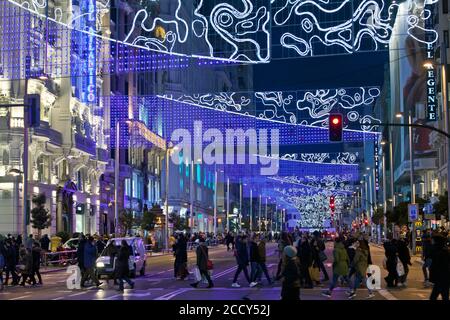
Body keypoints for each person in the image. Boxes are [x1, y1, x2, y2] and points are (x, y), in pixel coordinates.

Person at [429, 234, 450, 300]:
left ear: (437, 241)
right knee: (444, 296)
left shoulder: (441, 252)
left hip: (441, 278)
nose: (431, 242)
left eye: (433, 240)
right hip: (443, 279)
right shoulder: (441, 251)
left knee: (434, 297)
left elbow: (440, 266)